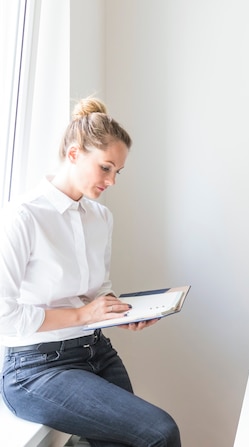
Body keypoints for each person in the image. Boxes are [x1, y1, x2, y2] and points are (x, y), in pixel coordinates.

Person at [0, 98, 181, 446]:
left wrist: (118, 313)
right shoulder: (23, 216)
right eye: (106, 168)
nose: (112, 181)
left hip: (95, 350)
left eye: (118, 172)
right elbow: (4, 315)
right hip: (36, 369)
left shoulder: (100, 218)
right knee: (161, 432)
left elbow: (98, 293)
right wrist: (83, 314)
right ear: (73, 154)